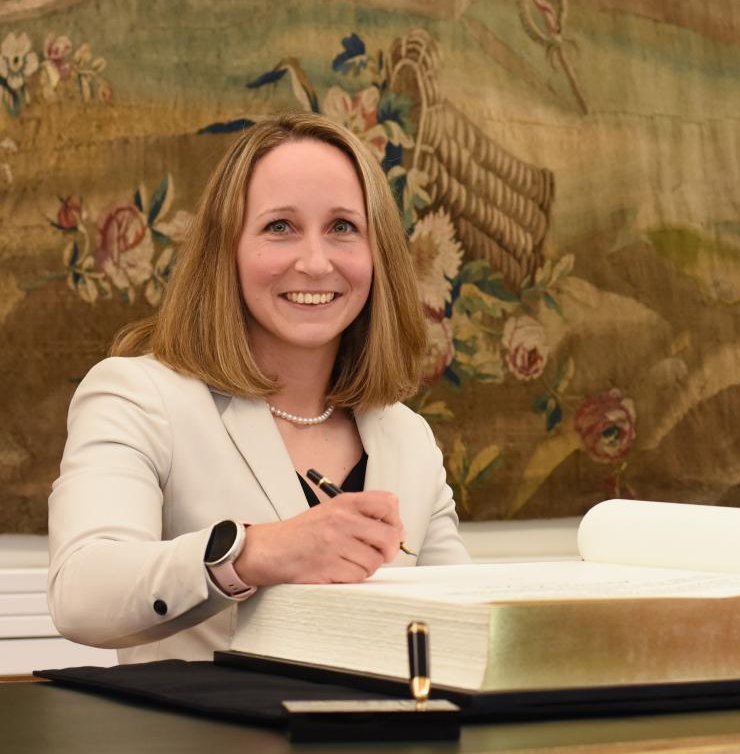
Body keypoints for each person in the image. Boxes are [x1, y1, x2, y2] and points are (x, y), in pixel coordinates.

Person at [48, 113, 470, 661]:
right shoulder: (136, 395)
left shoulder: (408, 437)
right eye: (279, 227)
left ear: (377, 255)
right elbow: (81, 597)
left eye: (343, 227)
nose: (316, 262)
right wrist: (253, 552)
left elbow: (460, 627)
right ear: (227, 251)